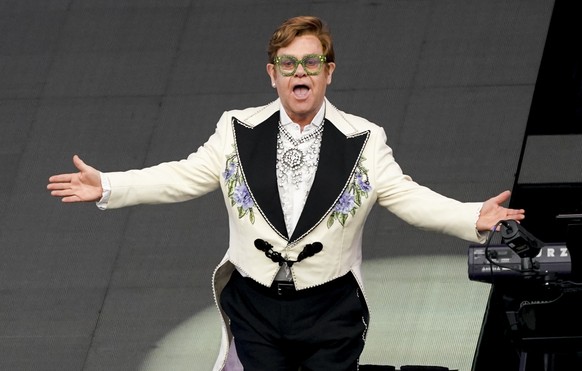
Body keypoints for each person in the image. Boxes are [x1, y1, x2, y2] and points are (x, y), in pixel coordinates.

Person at [47, 16, 525, 371]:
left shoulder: (364, 139)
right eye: (289, 63)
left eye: (312, 62)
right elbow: (181, 176)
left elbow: (407, 196)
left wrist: (470, 217)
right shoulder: (236, 130)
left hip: (330, 308)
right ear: (272, 73)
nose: (301, 72)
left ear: (328, 72)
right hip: (255, 305)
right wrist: (108, 184)